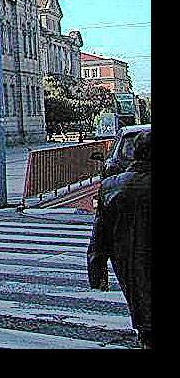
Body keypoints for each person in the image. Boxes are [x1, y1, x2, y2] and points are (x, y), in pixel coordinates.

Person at [87, 130, 151, 348]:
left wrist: (98, 272)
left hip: (131, 265)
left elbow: (99, 235)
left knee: (144, 320)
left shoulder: (111, 186)